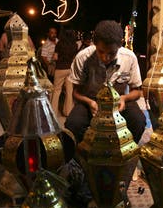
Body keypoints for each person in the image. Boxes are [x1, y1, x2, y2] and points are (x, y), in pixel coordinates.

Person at [64, 20, 146, 158]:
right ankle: (85, 159)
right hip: (91, 100)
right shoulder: (82, 58)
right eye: (101, 51)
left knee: (138, 120)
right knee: (73, 123)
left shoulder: (129, 58)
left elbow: (137, 92)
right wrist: (90, 103)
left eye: (111, 53)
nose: (105, 57)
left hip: (119, 100)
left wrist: (124, 98)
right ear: (94, 44)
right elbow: (76, 92)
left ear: (120, 45)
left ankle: (126, 157)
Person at [51, 29, 77, 117]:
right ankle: (68, 112)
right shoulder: (75, 45)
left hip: (60, 69)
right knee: (69, 91)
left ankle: (53, 113)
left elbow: (55, 57)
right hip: (70, 69)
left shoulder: (59, 44)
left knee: (57, 90)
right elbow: (74, 58)